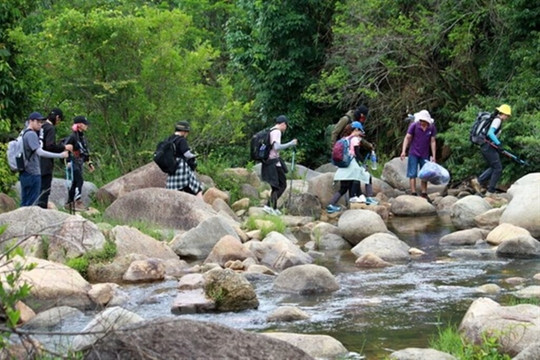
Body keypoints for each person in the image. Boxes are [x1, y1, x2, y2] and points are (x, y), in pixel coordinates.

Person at [19, 112, 69, 207]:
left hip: (25, 171)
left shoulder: (24, 133)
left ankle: (22, 221)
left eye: (41, 121)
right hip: (32, 172)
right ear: (31, 121)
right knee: (33, 201)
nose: (40, 124)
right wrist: (60, 155)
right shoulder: (31, 134)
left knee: (25, 201)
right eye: (37, 121)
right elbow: (40, 152)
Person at [327, 121, 371, 213]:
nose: (360, 133)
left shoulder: (345, 138)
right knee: (365, 176)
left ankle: (331, 205)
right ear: (355, 130)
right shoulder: (355, 139)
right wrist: (363, 162)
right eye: (360, 131)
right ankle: (368, 198)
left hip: (344, 165)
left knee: (343, 188)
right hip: (351, 165)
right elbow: (356, 152)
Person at [471, 104, 512, 197]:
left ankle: (479, 181)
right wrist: (498, 144)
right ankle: (490, 191)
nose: (507, 117)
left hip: (486, 145)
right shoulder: (497, 120)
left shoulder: (496, 119)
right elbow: (490, 133)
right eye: (507, 115)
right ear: (504, 114)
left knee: (495, 167)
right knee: (498, 168)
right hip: (487, 145)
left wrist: (497, 145)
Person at [261, 115, 298, 215]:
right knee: (282, 185)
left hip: (269, 162)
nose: (286, 128)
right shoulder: (277, 132)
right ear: (283, 124)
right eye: (286, 125)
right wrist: (290, 143)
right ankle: (268, 206)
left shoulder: (271, 130)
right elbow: (276, 147)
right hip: (273, 162)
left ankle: (273, 207)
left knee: (276, 186)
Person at [37, 108, 73, 209]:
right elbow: (50, 146)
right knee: (45, 190)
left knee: (38, 188)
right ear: (57, 117)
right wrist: (64, 147)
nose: (58, 122)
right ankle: (41, 210)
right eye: (59, 120)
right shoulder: (50, 128)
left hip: (36, 162)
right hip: (46, 162)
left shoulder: (41, 126)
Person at [400, 109, 437, 200]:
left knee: (425, 174)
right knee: (412, 173)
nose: (422, 123)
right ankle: (413, 192)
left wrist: (434, 156)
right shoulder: (414, 126)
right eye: (421, 121)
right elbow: (407, 138)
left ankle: (424, 192)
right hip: (414, 152)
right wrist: (403, 151)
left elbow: (432, 141)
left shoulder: (431, 128)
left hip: (425, 154)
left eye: (424, 121)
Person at [64, 115, 94, 211]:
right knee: (79, 180)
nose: (87, 126)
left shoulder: (82, 137)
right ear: (80, 125)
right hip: (72, 161)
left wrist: (89, 163)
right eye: (85, 124)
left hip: (79, 162)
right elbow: (66, 148)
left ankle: (69, 203)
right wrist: (68, 160)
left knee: (75, 182)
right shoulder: (72, 136)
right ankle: (77, 201)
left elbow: (84, 151)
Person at [165, 121, 203, 197]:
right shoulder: (181, 140)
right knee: (197, 189)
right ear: (183, 131)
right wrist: (194, 156)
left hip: (171, 169)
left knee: (174, 192)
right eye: (187, 132)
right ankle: (202, 207)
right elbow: (187, 154)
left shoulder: (169, 139)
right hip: (181, 168)